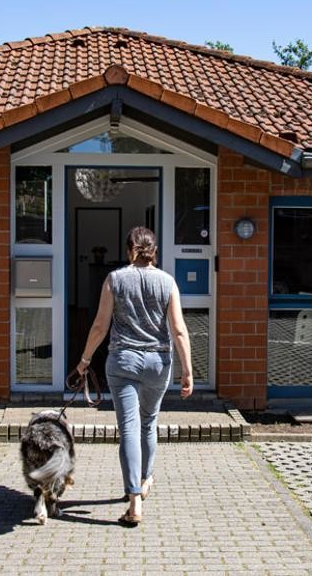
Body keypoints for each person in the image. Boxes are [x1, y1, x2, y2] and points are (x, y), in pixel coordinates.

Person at [74, 225, 193, 526]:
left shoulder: (114, 280)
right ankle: (146, 477)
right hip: (158, 362)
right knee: (149, 422)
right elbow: (178, 330)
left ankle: (134, 502)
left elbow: (100, 326)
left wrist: (85, 360)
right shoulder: (167, 282)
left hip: (123, 361)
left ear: (130, 250)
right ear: (154, 251)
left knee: (128, 428)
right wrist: (188, 371)